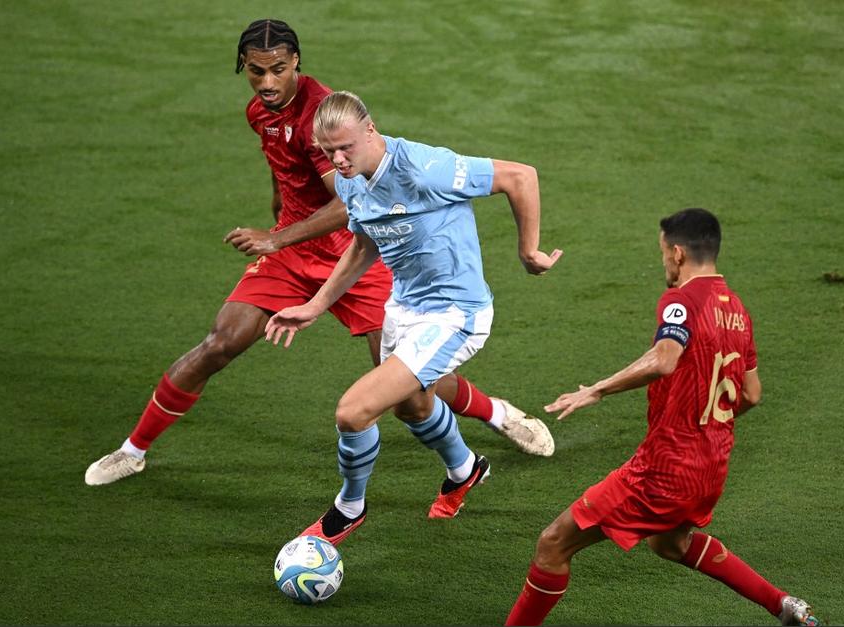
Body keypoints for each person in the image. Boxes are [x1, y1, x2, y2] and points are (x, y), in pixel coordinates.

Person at [84, 19, 554, 486]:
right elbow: (281, 163)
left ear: (297, 64)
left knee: (403, 382)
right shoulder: (260, 111)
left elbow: (347, 203)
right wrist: (279, 212)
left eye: (278, 70)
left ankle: (497, 413)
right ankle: (133, 450)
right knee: (222, 341)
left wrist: (278, 237)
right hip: (293, 249)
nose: (267, 83)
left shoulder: (322, 123)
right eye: (255, 71)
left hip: (353, 251)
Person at [265, 91, 564, 545]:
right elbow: (365, 244)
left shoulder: (425, 169)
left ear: (371, 129)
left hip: (454, 315)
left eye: (346, 147)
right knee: (412, 405)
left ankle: (350, 507)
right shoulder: (351, 180)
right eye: (328, 153)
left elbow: (520, 176)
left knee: (354, 411)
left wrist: (528, 251)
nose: (339, 160)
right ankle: (465, 469)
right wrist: (316, 304)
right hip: (403, 308)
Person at [504, 209, 819, 626]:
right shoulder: (738, 311)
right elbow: (752, 394)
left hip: (666, 468)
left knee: (553, 544)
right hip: (712, 467)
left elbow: (665, 359)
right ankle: (784, 605)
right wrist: (707, 423)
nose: (664, 264)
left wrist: (596, 389)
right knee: (671, 544)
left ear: (677, 253)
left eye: (662, 254)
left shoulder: (682, 301)